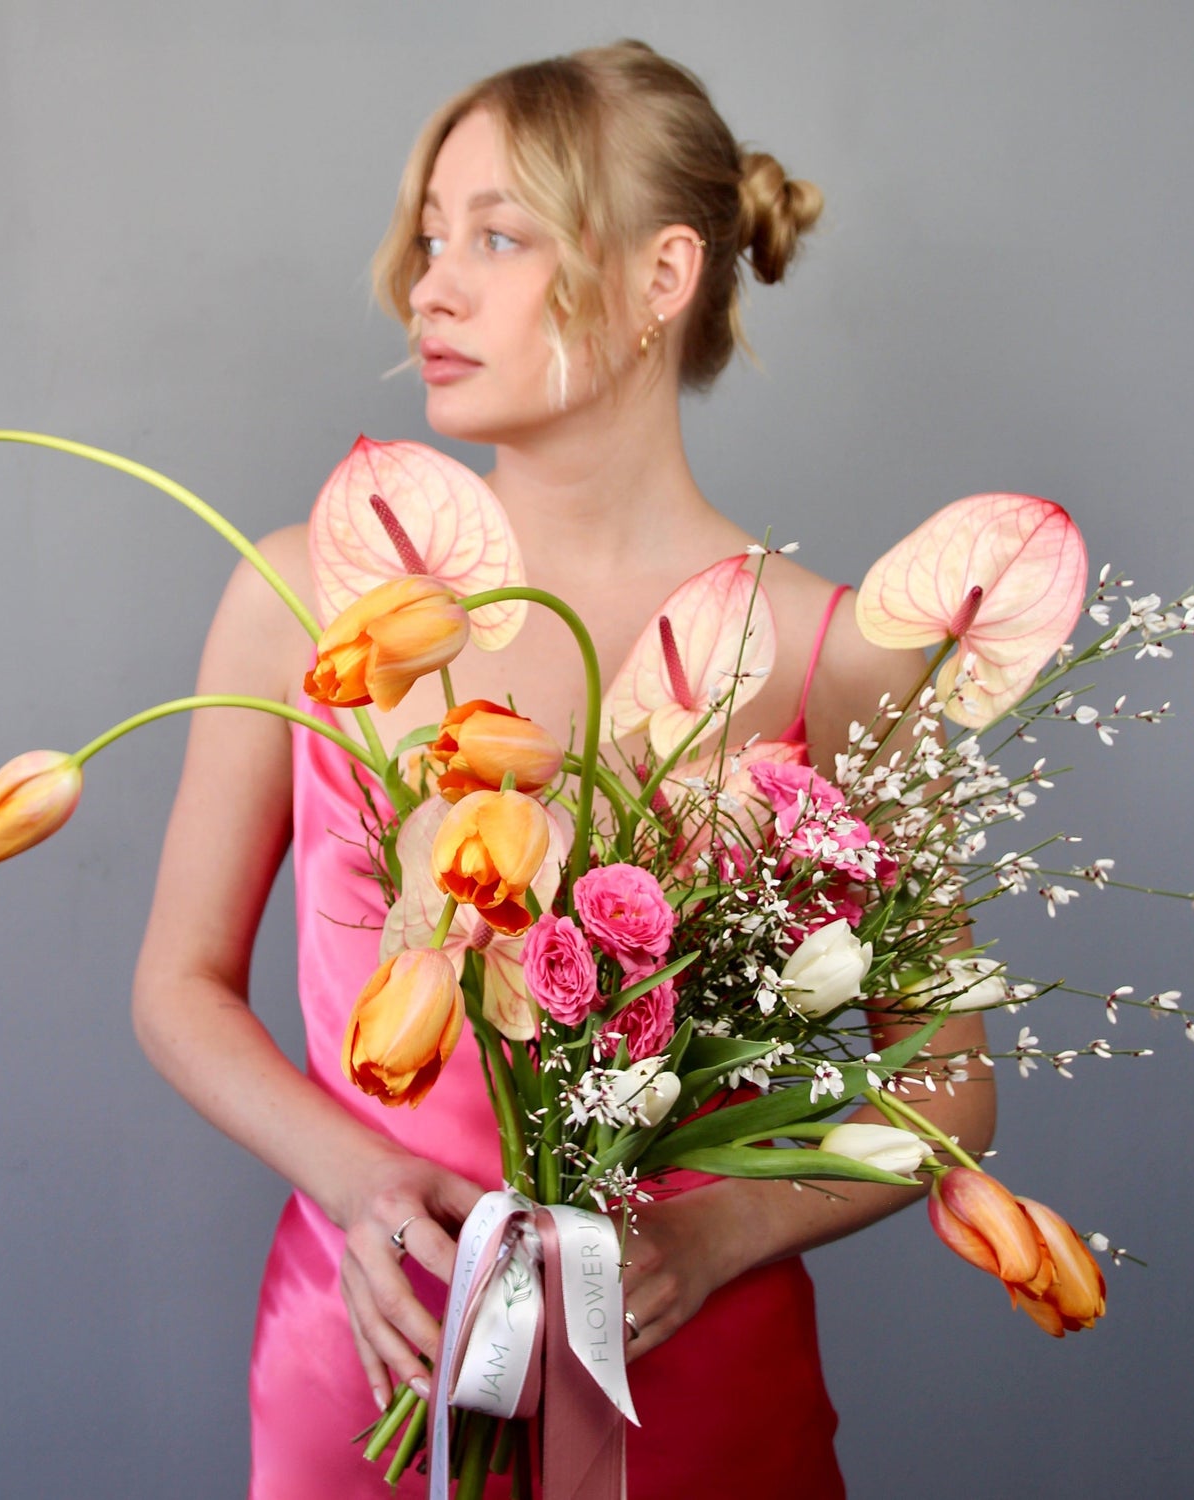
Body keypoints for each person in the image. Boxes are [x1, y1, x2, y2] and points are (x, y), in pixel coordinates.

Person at [132, 39, 995, 1499]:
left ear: (664, 277)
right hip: (378, 1335)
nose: (432, 287)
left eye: (500, 236)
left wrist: (718, 1235)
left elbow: (949, 1082)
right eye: (429, 236)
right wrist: (359, 1185)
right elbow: (178, 986)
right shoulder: (305, 603)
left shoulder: (830, 652)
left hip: (692, 1361)